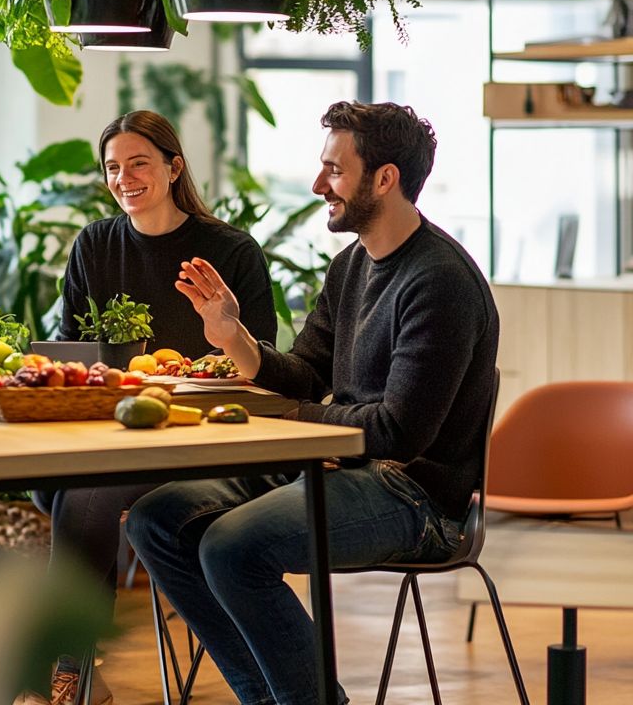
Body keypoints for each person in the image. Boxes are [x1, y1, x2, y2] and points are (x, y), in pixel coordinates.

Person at [126, 101, 500, 705]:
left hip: (417, 497)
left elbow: (399, 432)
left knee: (231, 547)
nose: (318, 183)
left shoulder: (440, 281)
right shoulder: (351, 265)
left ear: (385, 179)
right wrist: (234, 337)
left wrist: (301, 429)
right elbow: (303, 374)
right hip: (338, 465)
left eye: (334, 169)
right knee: (157, 520)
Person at [26, 110, 277, 705]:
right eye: (113, 167)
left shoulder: (230, 251)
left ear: (173, 166)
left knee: (80, 495)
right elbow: (76, 352)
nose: (124, 177)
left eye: (138, 162)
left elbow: (261, 369)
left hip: (200, 440)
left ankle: (69, 673)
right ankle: (78, 668)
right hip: (113, 435)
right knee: (53, 486)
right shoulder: (94, 245)